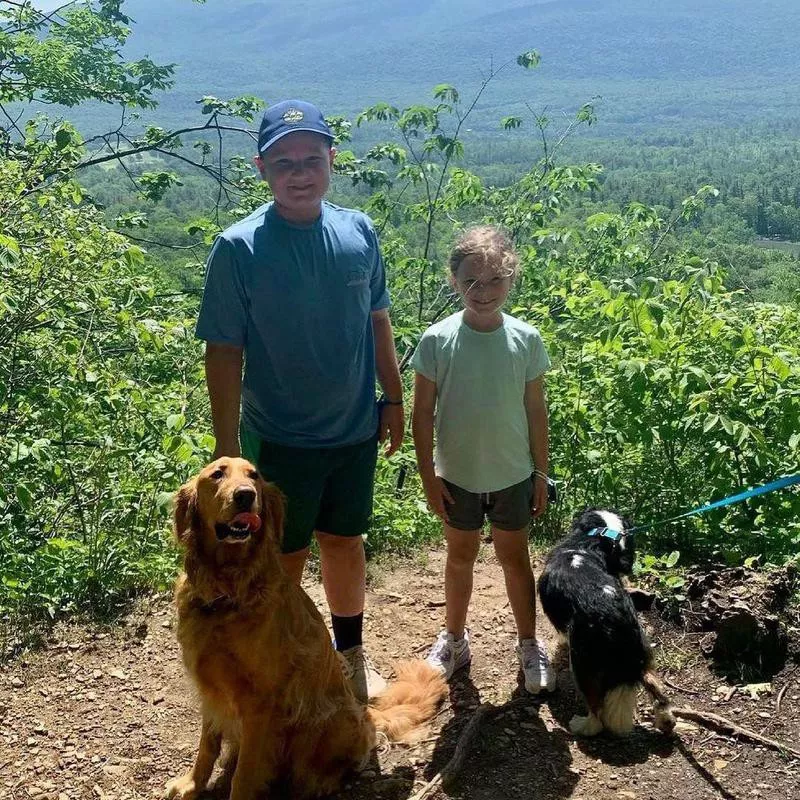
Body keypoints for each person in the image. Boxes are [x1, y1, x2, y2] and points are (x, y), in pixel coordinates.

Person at [195, 99, 404, 703]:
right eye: (284, 161)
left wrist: (391, 400)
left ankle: (349, 657)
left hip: (353, 431)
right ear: (262, 168)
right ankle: (275, 666)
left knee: (344, 544)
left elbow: (379, 323)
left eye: (312, 158)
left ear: (332, 161)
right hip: (278, 439)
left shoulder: (359, 231)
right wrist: (229, 451)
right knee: (279, 557)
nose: (300, 172)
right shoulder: (239, 248)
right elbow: (224, 350)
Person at [410, 225, 556, 693]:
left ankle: (529, 643)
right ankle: (454, 639)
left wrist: (540, 473)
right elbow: (422, 413)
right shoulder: (437, 340)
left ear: (511, 279)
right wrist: (429, 476)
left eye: (495, 280)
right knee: (460, 558)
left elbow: (536, 410)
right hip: (458, 476)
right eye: (472, 281)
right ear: (453, 281)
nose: (484, 291)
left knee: (516, 560)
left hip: (513, 473)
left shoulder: (525, 339)